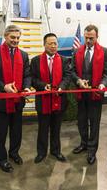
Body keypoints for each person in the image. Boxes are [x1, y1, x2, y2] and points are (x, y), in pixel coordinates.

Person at [0, 25, 32, 173]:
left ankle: (14, 153)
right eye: (12, 37)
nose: (15, 40)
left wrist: (26, 87)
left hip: (17, 102)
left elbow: (27, 75)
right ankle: (2, 159)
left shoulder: (23, 55)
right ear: (5, 36)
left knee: (16, 131)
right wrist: (3, 86)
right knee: (1, 133)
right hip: (1, 102)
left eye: (18, 38)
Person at [70, 24, 107, 165]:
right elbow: (73, 71)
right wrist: (78, 80)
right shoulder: (77, 51)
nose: (88, 41)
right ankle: (84, 143)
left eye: (91, 38)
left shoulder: (104, 52)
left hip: (95, 95)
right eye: (86, 38)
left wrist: (102, 85)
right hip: (81, 94)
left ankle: (92, 149)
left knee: (94, 123)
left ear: (97, 37)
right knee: (81, 121)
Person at [31, 33, 70, 164]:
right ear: (44, 44)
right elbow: (32, 79)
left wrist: (61, 87)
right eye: (50, 43)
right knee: (43, 128)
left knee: (56, 128)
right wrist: (43, 86)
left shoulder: (64, 60)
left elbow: (67, 76)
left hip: (59, 100)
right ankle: (41, 152)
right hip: (43, 101)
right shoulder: (36, 60)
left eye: (55, 43)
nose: (53, 46)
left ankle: (56, 151)